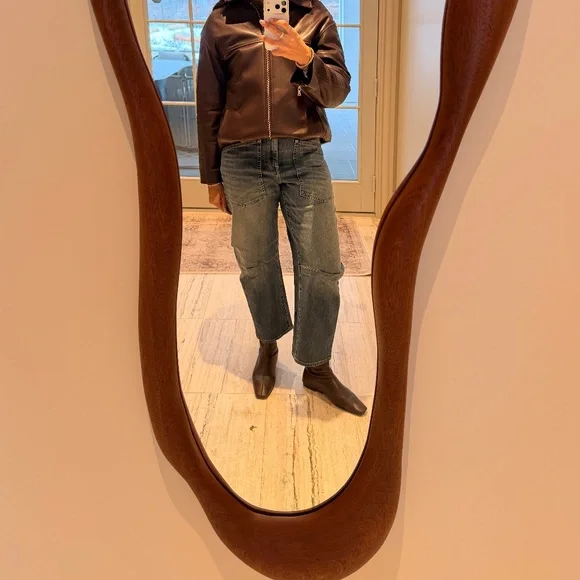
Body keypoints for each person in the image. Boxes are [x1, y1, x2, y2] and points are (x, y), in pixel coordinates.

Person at [196, 0, 366, 416]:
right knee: (255, 261)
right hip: (242, 159)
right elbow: (209, 103)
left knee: (322, 265)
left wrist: (305, 57)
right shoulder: (221, 21)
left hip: (303, 155)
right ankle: (267, 345)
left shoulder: (315, 16)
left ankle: (317, 367)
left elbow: (337, 92)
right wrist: (211, 176)